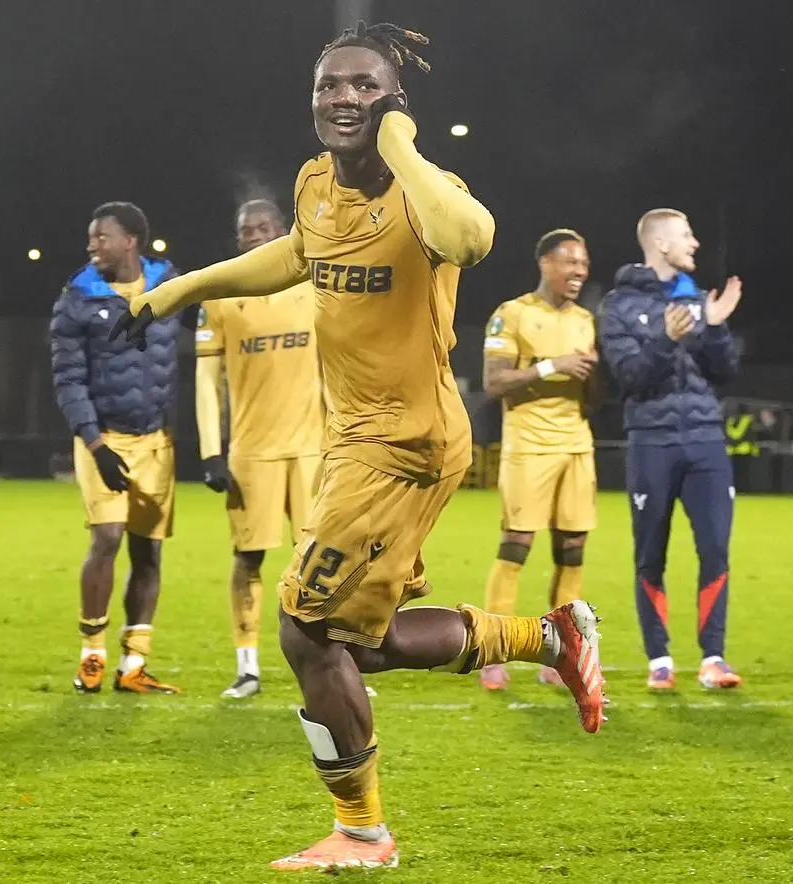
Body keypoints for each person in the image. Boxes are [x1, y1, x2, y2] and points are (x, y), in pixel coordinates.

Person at [110, 22, 606, 871]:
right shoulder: (312, 184)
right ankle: (551, 639)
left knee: (306, 629)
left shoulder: (424, 191)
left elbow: (473, 238)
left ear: (395, 104)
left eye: (364, 87)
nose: (342, 97)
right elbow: (296, 255)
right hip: (351, 442)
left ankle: (364, 833)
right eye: (328, 86)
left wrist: (403, 144)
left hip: (406, 443)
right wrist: (182, 289)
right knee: (353, 639)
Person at [598, 207, 742, 691]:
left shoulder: (698, 298)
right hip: (651, 443)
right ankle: (660, 659)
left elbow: (725, 372)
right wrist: (665, 338)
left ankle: (714, 658)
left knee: (715, 550)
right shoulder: (618, 306)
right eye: (686, 234)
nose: (695, 243)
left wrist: (717, 327)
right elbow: (629, 377)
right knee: (650, 554)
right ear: (660, 244)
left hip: (705, 441)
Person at [49, 201, 183, 695]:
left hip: (156, 441)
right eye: (91, 238)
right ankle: (92, 654)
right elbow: (67, 377)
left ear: (131, 241)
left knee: (148, 552)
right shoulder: (77, 298)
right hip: (103, 438)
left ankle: (134, 664)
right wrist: (95, 441)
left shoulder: (170, 285)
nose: (92, 246)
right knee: (106, 538)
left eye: (101, 237)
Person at [195, 199, 324, 699]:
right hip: (252, 453)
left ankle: (331, 661)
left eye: (262, 226)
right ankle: (247, 665)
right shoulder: (222, 294)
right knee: (248, 559)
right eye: (244, 229)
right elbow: (207, 381)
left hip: (314, 452)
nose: (253, 234)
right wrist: (210, 451)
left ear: (284, 229)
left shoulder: (315, 286)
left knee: (320, 564)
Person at [480, 228, 598, 691]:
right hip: (529, 445)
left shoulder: (587, 319)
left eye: (584, 264)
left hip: (576, 445)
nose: (579, 271)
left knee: (572, 549)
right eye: (571, 262)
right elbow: (493, 383)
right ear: (546, 263)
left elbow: (591, 388)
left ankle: (562, 656)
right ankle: (494, 651)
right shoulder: (512, 315)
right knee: (516, 545)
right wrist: (554, 366)